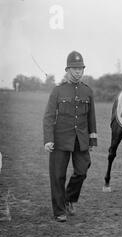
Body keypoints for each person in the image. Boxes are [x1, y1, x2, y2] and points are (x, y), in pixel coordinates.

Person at [43, 51, 97, 222]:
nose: (78, 71)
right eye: (74, 68)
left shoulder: (87, 91)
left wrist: (92, 139)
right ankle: (59, 211)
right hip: (60, 139)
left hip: (80, 139)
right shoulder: (58, 91)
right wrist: (48, 139)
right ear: (67, 69)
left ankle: (69, 198)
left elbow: (91, 117)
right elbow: (49, 116)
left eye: (80, 68)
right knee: (58, 175)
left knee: (82, 171)